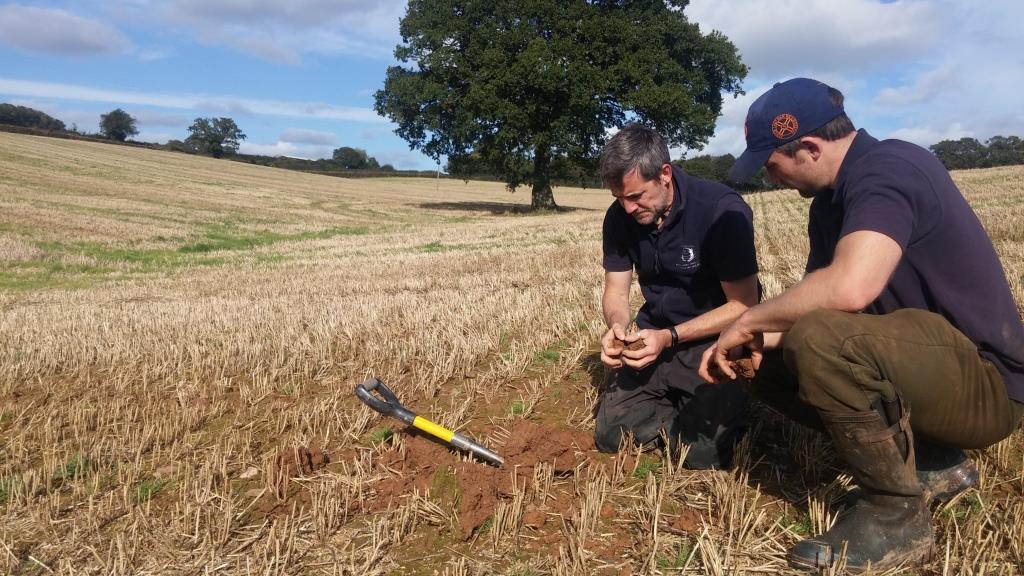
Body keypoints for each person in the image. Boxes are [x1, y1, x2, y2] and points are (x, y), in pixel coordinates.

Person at [700, 78, 1024, 571]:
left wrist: (747, 317)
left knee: (817, 340)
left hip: (987, 387)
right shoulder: (828, 206)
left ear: (808, 147)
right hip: (927, 369)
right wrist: (752, 341)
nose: (769, 178)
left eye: (772, 164)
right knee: (764, 359)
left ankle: (897, 517)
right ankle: (933, 464)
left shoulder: (890, 167)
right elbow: (814, 310)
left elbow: (851, 288)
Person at [596, 124, 760, 469]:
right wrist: (618, 327)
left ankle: (721, 409)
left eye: (636, 196)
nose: (627, 208)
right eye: (619, 199)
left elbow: (744, 305)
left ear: (665, 174)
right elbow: (616, 290)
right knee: (611, 437)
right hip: (653, 333)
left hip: (712, 338)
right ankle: (679, 410)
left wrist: (670, 337)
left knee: (700, 456)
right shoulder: (619, 217)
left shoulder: (720, 211)